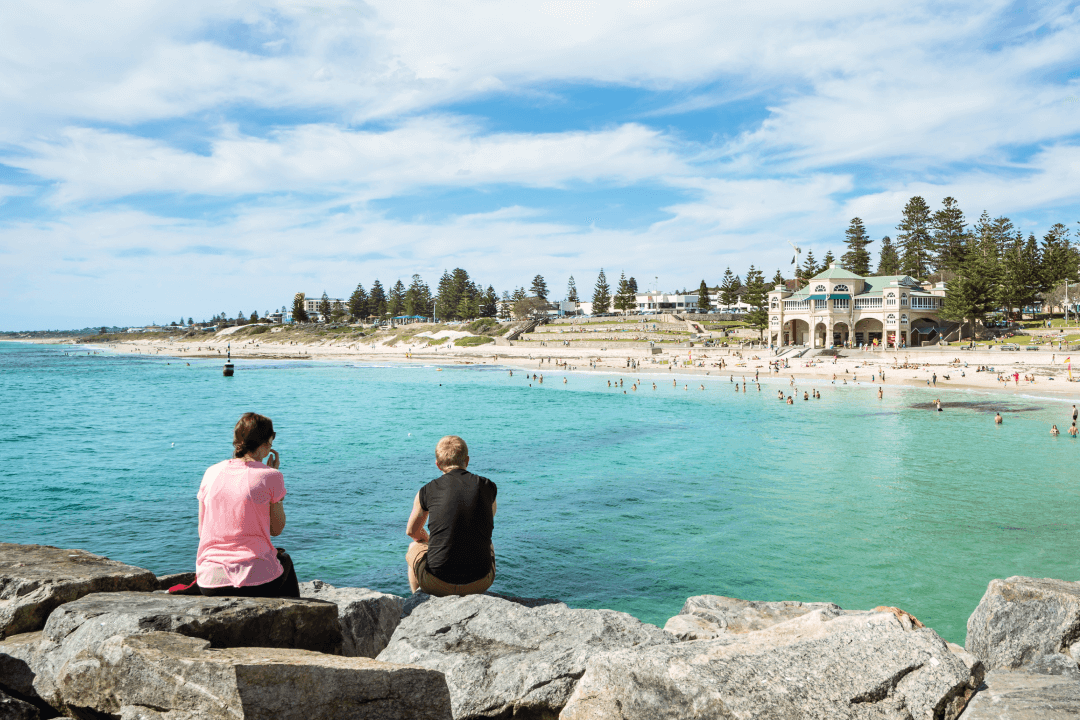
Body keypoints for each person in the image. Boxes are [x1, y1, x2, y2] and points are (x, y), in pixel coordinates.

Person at [195, 413, 299, 598]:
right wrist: (274, 477)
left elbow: (202, 532)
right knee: (284, 561)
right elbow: (276, 529)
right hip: (254, 581)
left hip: (209, 581)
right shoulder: (271, 476)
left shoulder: (210, 472)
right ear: (267, 443)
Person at [406, 436, 497, 596]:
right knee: (488, 542)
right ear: (467, 460)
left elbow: (412, 532)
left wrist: (427, 541)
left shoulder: (427, 490)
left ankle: (417, 598)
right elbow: (486, 519)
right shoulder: (488, 486)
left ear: (438, 464)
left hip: (437, 583)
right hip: (481, 582)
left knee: (414, 546)